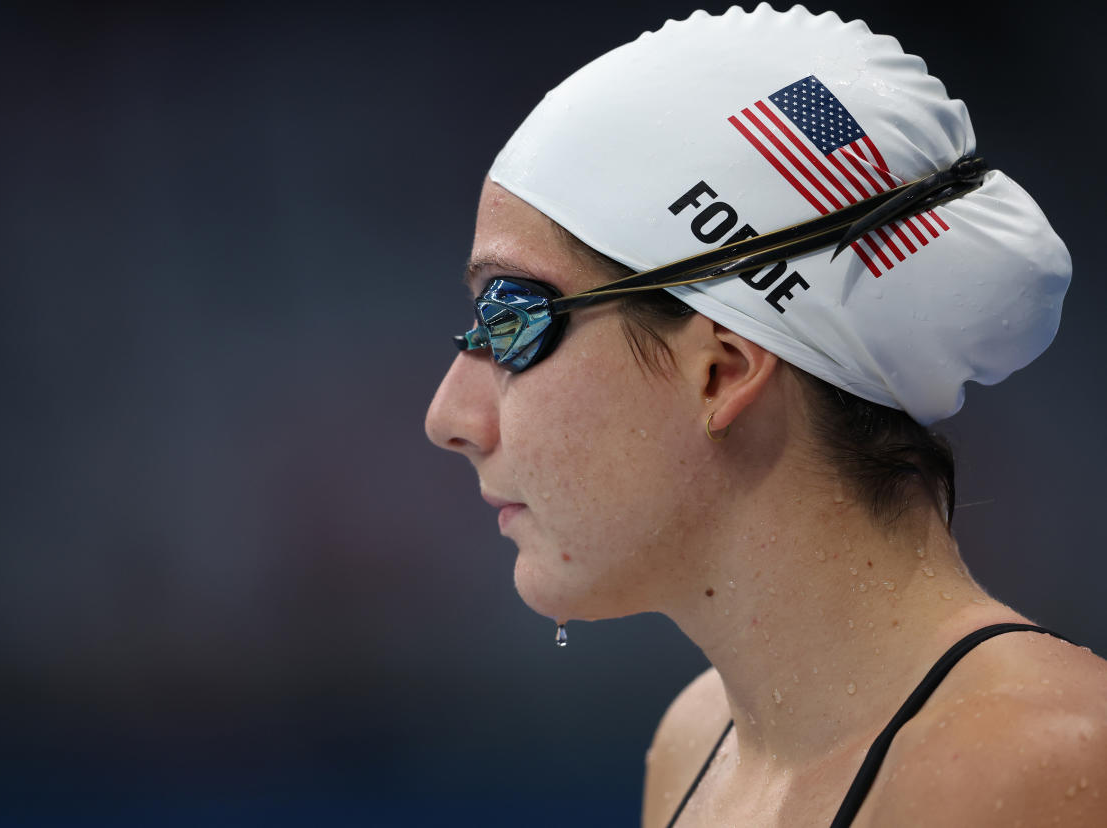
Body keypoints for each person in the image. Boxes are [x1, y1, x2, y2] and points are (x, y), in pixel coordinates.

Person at [425, 5, 1107, 826]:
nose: (449, 415)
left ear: (723, 369)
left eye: (512, 318)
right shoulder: (695, 747)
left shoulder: (1053, 764)